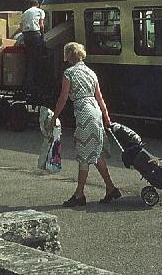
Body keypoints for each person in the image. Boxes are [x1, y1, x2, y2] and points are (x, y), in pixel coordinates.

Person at [53, 42, 120, 207]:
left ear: (69, 55)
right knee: (96, 154)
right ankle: (111, 188)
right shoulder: (91, 73)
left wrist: (54, 117)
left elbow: (63, 98)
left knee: (84, 154)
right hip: (95, 112)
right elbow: (100, 97)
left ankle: (79, 194)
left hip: (84, 113)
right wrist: (106, 116)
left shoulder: (69, 73)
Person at [21, 0, 45, 92]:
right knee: (38, 58)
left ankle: (28, 81)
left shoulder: (25, 13)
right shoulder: (40, 11)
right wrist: (43, 37)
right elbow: (41, 25)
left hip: (26, 35)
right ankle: (37, 81)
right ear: (37, 5)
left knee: (29, 58)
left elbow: (21, 27)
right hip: (35, 34)